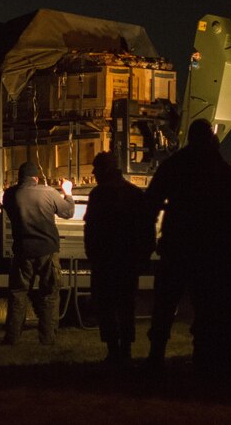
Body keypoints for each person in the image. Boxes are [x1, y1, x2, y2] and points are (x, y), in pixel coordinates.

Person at [144, 119, 231, 372]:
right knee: (208, 306)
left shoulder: (175, 165)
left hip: (178, 246)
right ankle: (204, 357)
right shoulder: (222, 170)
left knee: (165, 304)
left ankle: (156, 356)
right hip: (212, 250)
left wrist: (149, 238)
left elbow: (151, 201)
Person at [84, 151, 156, 367]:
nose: (94, 173)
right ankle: (125, 350)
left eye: (97, 169)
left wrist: (92, 254)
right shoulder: (134, 193)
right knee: (126, 306)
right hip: (128, 261)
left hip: (106, 261)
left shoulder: (99, 195)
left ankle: (114, 350)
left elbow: (92, 228)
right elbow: (147, 227)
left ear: (105, 170)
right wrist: (144, 255)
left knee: (106, 306)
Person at [2, 161, 75, 344]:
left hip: (22, 251)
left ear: (20, 177)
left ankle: (12, 338)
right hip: (47, 251)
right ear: (36, 178)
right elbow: (68, 212)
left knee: (18, 294)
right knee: (49, 294)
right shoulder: (48, 192)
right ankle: (47, 339)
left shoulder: (9, 195)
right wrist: (67, 192)